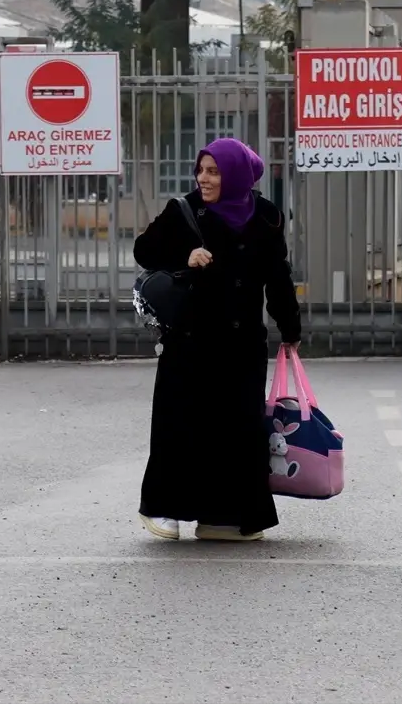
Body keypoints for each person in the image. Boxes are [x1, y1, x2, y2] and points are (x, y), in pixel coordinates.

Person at [133, 137, 302, 543]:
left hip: (242, 345)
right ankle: (165, 510)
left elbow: (278, 278)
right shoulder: (184, 211)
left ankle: (223, 518)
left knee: (238, 430)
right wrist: (184, 256)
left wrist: (290, 329)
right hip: (190, 342)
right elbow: (144, 251)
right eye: (201, 170)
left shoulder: (266, 217)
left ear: (236, 176)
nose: (203, 178)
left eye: (213, 172)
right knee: (181, 426)